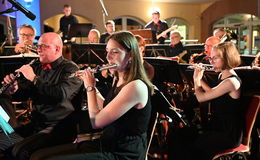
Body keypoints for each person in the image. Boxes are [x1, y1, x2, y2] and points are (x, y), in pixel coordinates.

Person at [33, 31, 154, 160]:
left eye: (115, 52)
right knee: (38, 156)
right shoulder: (118, 78)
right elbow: (107, 107)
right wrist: (92, 88)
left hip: (122, 153)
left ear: (130, 55)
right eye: (107, 51)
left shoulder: (136, 86)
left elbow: (97, 122)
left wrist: (89, 88)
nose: (108, 57)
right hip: (107, 143)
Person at [0, 32, 82, 160]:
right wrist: (14, 89)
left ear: (57, 49)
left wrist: (33, 78)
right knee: (2, 141)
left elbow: (60, 94)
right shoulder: (37, 66)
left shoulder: (71, 69)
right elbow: (25, 94)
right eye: (38, 45)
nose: (38, 49)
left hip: (58, 127)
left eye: (44, 46)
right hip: (37, 124)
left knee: (19, 151)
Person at [168, 42, 243, 160]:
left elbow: (201, 98)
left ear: (227, 58)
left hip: (227, 134)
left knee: (189, 144)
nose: (211, 61)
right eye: (210, 58)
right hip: (217, 127)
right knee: (178, 135)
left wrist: (196, 80)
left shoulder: (231, 82)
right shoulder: (222, 76)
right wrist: (198, 76)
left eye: (215, 58)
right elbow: (212, 92)